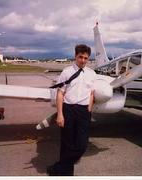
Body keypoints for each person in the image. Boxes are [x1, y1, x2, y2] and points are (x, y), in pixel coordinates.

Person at [47, 44, 96, 176]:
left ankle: (58, 167)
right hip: (68, 109)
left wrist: (89, 108)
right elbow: (60, 93)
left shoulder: (92, 74)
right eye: (80, 57)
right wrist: (60, 115)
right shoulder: (67, 72)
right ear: (75, 56)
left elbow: (92, 93)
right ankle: (66, 174)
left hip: (83, 111)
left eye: (86, 58)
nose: (83, 60)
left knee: (82, 145)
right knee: (67, 143)